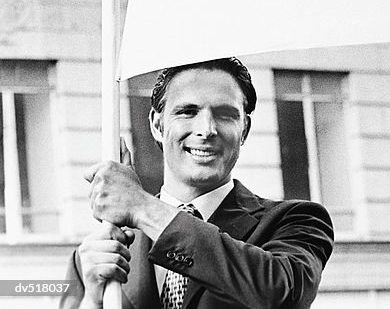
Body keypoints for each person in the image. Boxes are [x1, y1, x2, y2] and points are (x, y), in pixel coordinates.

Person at [61, 57, 334, 309]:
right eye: (188, 111)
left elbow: (281, 294)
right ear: (157, 125)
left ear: (245, 130)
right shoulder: (97, 253)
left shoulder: (295, 221)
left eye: (225, 114)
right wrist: (91, 301)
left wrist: (143, 207)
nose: (206, 129)